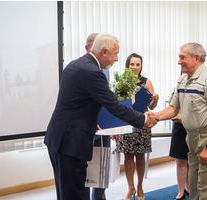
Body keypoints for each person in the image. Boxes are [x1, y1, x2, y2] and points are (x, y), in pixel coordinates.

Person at [44, 33, 158, 200]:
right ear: (104, 52)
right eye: (115, 53)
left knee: (69, 192)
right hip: (70, 142)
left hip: (61, 139)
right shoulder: (92, 72)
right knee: (74, 194)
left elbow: (80, 103)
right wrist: (144, 118)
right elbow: (114, 106)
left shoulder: (76, 64)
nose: (117, 59)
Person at [154, 43, 207, 200]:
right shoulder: (183, 79)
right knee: (194, 186)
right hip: (192, 137)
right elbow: (173, 108)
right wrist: (154, 117)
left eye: (182, 57)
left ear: (196, 58)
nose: (179, 61)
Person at [112, 53, 159, 200]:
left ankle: (139, 187)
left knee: (140, 155)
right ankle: (130, 188)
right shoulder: (121, 83)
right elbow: (116, 106)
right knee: (127, 156)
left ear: (141, 66)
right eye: (132, 64)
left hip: (142, 122)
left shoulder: (146, 82)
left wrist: (156, 99)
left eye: (137, 64)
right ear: (127, 65)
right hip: (126, 122)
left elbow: (151, 105)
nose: (135, 67)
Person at [84, 33, 110, 200]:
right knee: (85, 174)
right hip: (87, 131)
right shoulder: (82, 69)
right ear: (88, 48)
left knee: (101, 172)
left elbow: (107, 102)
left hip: (104, 130)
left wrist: (114, 125)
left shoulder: (105, 72)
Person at [169, 117, 189, 200]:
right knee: (180, 161)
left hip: (195, 124)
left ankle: (188, 189)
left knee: (191, 161)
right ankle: (181, 192)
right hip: (179, 124)